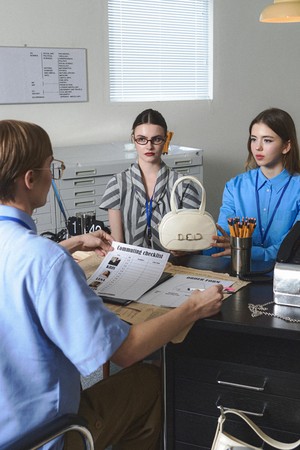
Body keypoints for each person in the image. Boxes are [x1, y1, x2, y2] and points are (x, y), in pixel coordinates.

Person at [0, 119, 223, 450]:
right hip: (44, 437)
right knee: (151, 383)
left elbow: (16, 264)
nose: (53, 175)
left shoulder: (33, 253)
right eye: (51, 167)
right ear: (30, 179)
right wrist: (193, 307)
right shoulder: (46, 261)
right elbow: (128, 350)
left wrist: (71, 244)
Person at [99, 109, 201, 251]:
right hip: (130, 265)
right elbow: (118, 244)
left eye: (156, 139)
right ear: (133, 139)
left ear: (165, 140)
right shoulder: (117, 184)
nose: (149, 146)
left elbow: (193, 241)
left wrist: (183, 250)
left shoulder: (184, 185)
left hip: (175, 266)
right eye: (142, 139)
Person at [209, 108, 300, 262]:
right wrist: (189, 248)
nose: (258, 147)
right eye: (253, 139)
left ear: (286, 146)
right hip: (237, 273)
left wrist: (244, 251)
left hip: (286, 277)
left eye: (267, 140)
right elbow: (222, 238)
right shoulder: (234, 187)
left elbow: (289, 249)